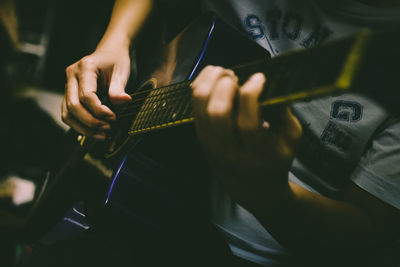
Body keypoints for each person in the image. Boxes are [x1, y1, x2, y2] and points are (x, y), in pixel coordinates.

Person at [57, 0, 400, 266]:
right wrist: (116, 41)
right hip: (133, 195)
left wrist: (269, 194)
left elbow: (366, 230)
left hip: (244, 252)